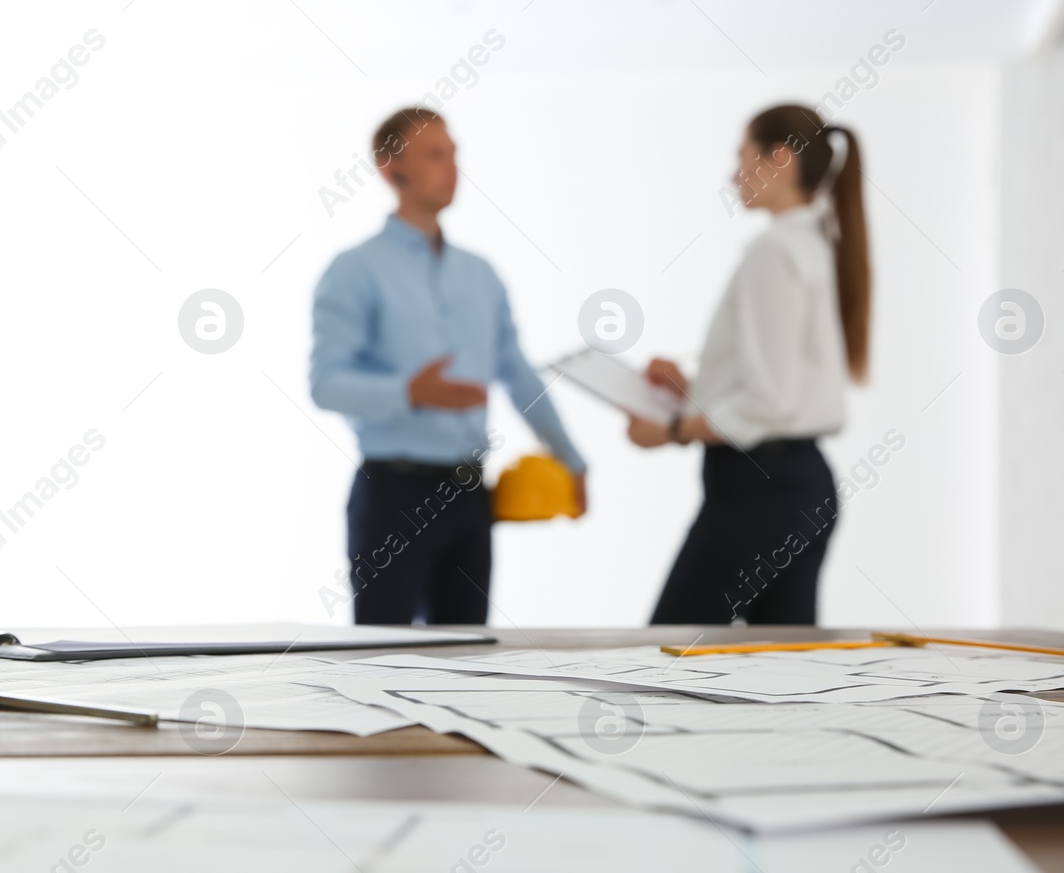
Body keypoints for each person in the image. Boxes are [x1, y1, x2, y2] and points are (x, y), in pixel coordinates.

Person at [311, 107, 587, 626]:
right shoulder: (354, 271)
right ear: (392, 168)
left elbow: (519, 374)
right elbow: (326, 385)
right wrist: (409, 392)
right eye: (435, 155)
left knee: (466, 663)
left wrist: (571, 458)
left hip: (468, 499)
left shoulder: (480, 275)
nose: (452, 167)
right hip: (394, 497)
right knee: (380, 665)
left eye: (454, 154)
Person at [628, 104, 870, 625]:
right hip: (799, 483)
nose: (733, 175)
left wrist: (671, 429)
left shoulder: (774, 251)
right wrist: (691, 388)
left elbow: (769, 400)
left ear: (778, 158)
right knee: (778, 672)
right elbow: (782, 388)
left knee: (667, 654)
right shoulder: (810, 245)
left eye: (742, 158)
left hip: (760, 489)